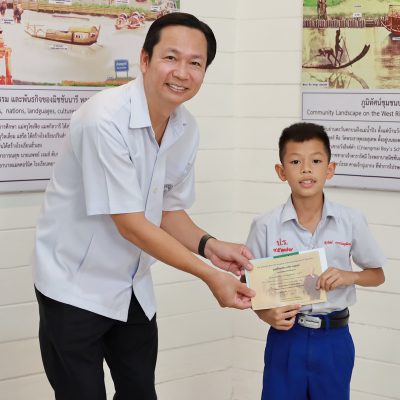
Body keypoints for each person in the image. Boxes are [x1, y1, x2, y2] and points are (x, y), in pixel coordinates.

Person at [33, 12, 255, 400]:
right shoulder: (103, 119)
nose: (182, 73)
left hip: (132, 287)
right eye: (171, 57)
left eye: (195, 63)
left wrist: (210, 246)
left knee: (140, 394)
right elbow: (132, 224)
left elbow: (167, 210)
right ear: (145, 59)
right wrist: (210, 276)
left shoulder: (185, 128)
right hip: (73, 286)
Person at [246, 122, 385, 400]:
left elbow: (377, 275)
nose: (306, 169)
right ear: (281, 172)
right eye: (295, 162)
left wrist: (349, 276)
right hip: (286, 339)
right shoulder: (265, 225)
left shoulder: (350, 220)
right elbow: (250, 287)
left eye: (316, 161)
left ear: (329, 169)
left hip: (334, 340)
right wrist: (265, 314)